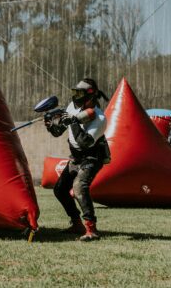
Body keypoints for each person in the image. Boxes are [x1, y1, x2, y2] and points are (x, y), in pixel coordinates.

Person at [44, 78, 110, 241]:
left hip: (92, 156)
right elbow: (59, 131)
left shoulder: (99, 118)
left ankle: (91, 229)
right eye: (75, 92)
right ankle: (76, 224)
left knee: (80, 186)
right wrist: (52, 126)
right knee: (60, 189)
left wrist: (72, 121)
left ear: (90, 95)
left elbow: (85, 142)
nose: (76, 96)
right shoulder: (72, 107)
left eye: (79, 93)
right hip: (76, 157)